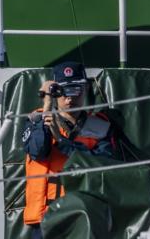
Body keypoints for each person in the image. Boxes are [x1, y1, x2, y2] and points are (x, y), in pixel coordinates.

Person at [21, 62, 117, 239]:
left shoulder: (101, 127)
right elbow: (38, 151)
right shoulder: (36, 120)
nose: (69, 98)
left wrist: (62, 140)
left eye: (76, 89)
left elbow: (103, 164)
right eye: (64, 91)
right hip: (46, 217)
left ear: (86, 88)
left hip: (84, 215)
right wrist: (47, 105)